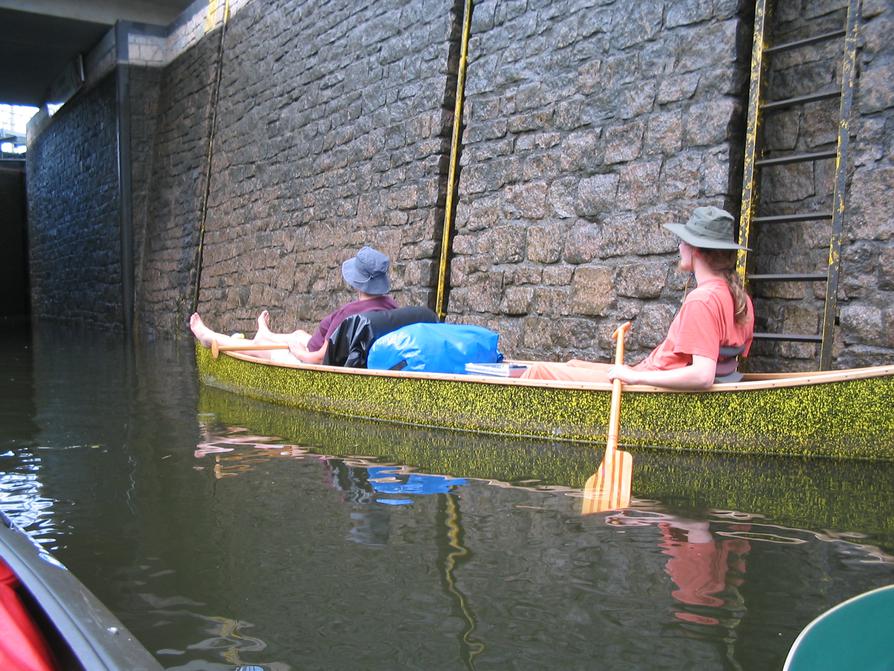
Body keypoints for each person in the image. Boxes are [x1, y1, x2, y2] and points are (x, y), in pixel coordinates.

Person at [521, 206, 754, 389]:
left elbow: (702, 376)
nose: (679, 246)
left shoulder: (701, 301)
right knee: (572, 364)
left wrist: (635, 378)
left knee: (539, 372)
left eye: (683, 241)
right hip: (646, 374)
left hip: (646, 383)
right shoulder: (740, 297)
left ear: (697, 250)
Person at [190, 245, 397, 364]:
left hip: (307, 361)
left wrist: (298, 352)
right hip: (332, 351)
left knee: (256, 347)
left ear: (356, 282)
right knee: (298, 334)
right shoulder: (391, 307)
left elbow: (317, 359)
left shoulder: (349, 315)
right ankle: (266, 334)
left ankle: (210, 338)